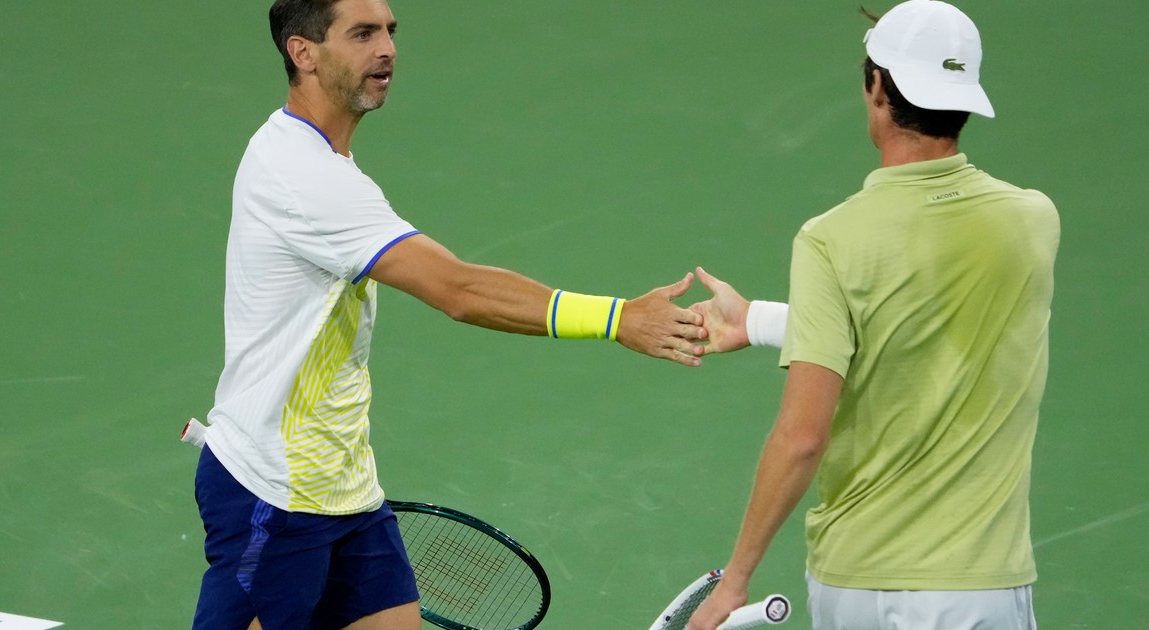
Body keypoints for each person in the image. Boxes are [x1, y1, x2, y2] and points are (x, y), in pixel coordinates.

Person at [192, 0, 709, 628]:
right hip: (272, 489)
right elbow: (458, 290)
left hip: (345, 483)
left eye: (389, 31)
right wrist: (616, 318)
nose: (386, 48)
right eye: (362, 34)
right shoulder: (303, 178)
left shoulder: (322, 159)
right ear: (303, 52)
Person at [686, 1, 1059, 629]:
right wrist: (756, 321)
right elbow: (917, 321)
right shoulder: (1032, 222)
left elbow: (805, 433)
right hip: (971, 592)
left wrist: (736, 579)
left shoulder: (831, 240)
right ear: (965, 99)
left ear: (877, 88)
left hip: (851, 589)